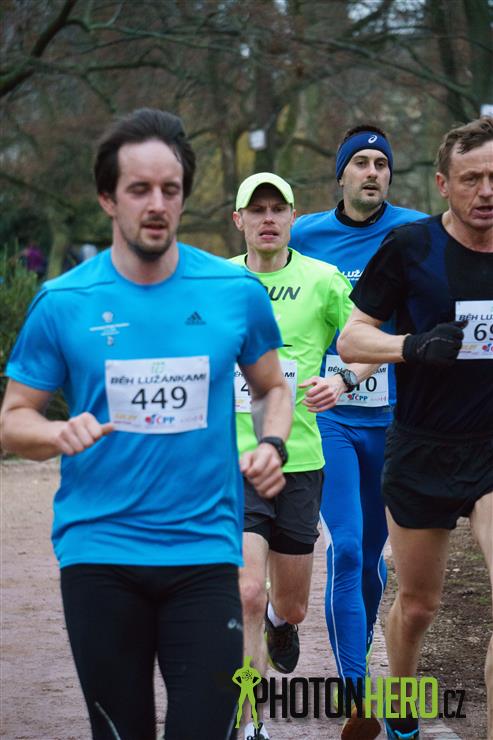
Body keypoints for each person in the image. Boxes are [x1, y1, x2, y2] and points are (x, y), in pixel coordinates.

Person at [0, 109, 294, 740]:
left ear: (184, 196)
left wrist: (272, 442)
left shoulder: (233, 290)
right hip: (100, 553)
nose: (157, 204)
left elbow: (273, 387)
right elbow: (14, 419)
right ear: (108, 198)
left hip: (204, 552)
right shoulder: (63, 302)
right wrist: (55, 433)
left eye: (170, 189)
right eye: (139, 189)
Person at [337, 116, 493, 740]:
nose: (486, 190)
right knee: (420, 604)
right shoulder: (410, 247)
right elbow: (352, 338)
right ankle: (400, 703)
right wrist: (411, 346)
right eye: (471, 178)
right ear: (443, 184)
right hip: (424, 445)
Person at [289, 125, 427, 739]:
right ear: (341, 174)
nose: (372, 172)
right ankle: (357, 696)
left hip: (395, 419)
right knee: (345, 548)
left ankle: (360, 660)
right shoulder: (305, 235)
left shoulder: (417, 232)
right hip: (330, 417)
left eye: (381, 163)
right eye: (361, 162)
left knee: (372, 557)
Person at [231, 172, 376, 740]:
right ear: (238, 220)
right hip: (236, 462)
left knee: (290, 606)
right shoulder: (216, 282)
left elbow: (369, 340)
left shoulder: (322, 280)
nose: (268, 218)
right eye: (257, 209)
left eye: (278, 209)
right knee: (246, 591)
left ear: (293, 218)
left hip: (300, 461)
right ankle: (250, 724)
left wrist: (341, 380)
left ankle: (279, 619)